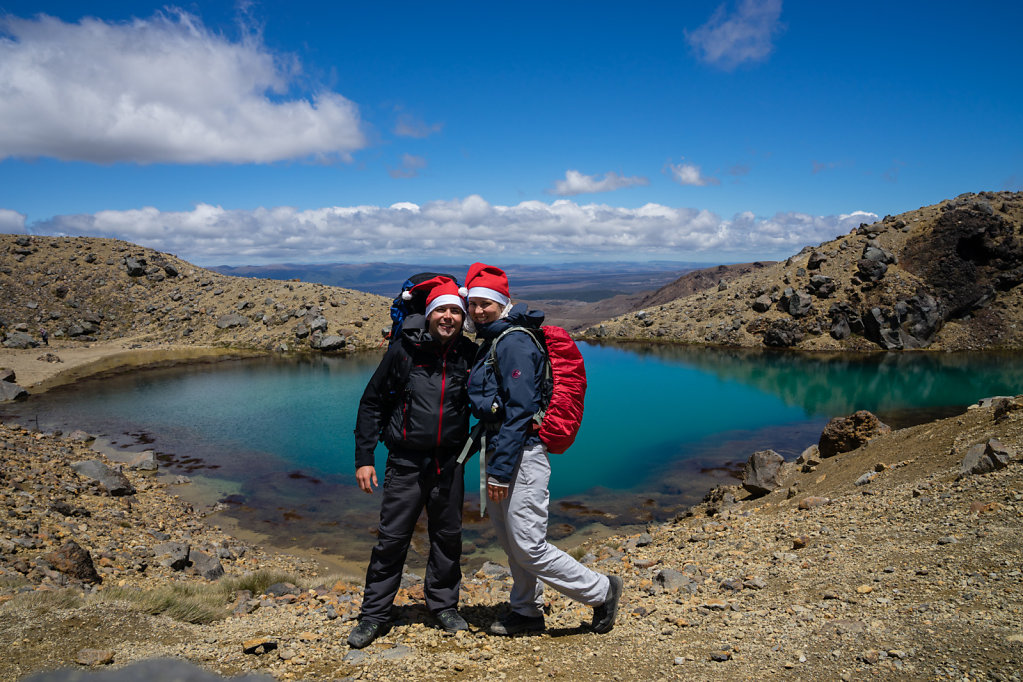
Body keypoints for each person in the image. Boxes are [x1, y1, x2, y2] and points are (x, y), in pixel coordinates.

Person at [462, 262, 622, 636]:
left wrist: (501, 470)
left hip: (520, 455)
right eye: (474, 303)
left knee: (529, 545)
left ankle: (601, 590)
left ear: (503, 303)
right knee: (511, 540)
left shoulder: (514, 341)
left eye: (487, 303)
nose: (479, 310)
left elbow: (519, 410)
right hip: (502, 450)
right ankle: (526, 611)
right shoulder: (493, 339)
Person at [348, 276, 478, 649]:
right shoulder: (403, 351)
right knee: (391, 541)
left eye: (455, 310)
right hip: (404, 462)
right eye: (442, 310)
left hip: (450, 463)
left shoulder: (468, 354)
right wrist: (364, 458)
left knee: (448, 538)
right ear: (430, 314)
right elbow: (371, 403)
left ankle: (444, 606)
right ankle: (373, 615)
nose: (449, 316)